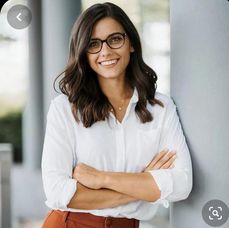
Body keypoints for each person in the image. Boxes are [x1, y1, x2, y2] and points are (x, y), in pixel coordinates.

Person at [41, 2, 193, 228]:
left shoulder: (161, 107)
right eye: (93, 44)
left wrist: (102, 179)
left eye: (115, 39)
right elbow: (57, 192)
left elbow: (182, 183)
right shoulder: (64, 108)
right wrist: (143, 185)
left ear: (130, 42)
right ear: (83, 51)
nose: (105, 51)